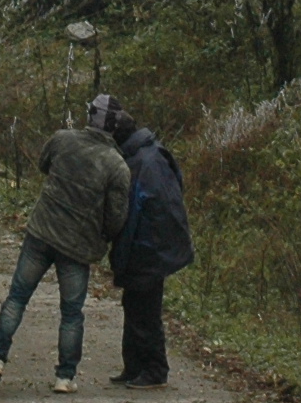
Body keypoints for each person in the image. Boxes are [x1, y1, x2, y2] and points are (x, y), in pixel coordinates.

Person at [0, 97, 130, 393]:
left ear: (89, 116)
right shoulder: (117, 165)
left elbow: (42, 165)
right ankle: (65, 377)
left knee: (17, 297)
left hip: (40, 234)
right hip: (77, 248)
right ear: (114, 125)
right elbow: (117, 218)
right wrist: (102, 237)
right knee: (71, 313)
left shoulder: (62, 139)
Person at [96, 95, 194, 389]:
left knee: (145, 311)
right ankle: (134, 365)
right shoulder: (152, 153)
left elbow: (131, 213)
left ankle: (154, 370)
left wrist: (120, 251)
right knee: (134, 305)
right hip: (157, 246)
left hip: (149, 249)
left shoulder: (141, 163)